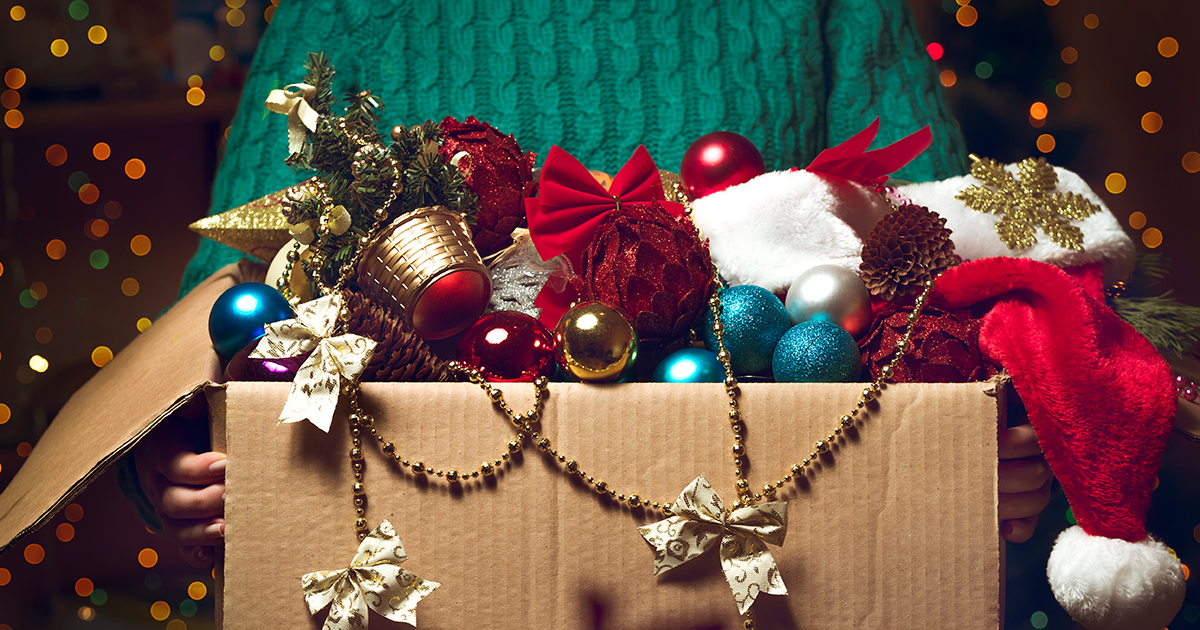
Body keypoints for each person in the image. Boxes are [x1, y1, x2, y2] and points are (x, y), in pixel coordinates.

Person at [133, 0, 1050, 567]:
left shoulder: (824, 7)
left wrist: (1000, 435)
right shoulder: (346, 6)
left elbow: (954, 252)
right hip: (425, 548)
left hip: (780, 547)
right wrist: (170, 455)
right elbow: (230, 291)